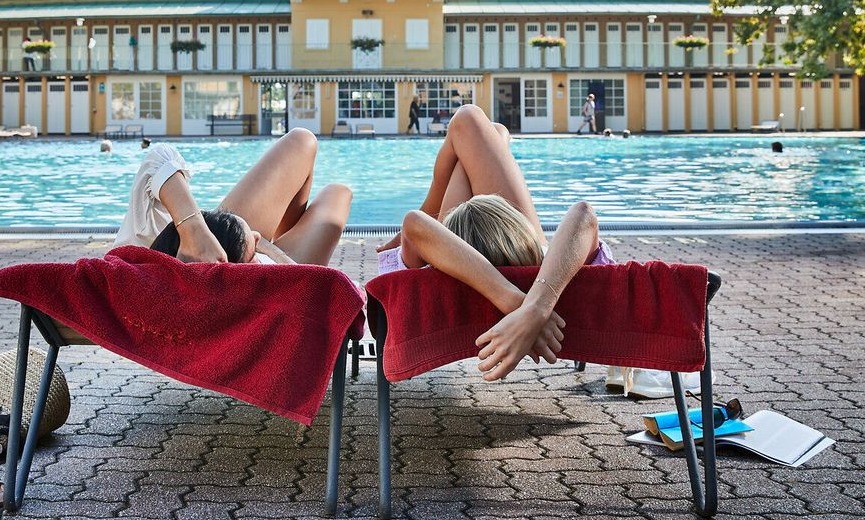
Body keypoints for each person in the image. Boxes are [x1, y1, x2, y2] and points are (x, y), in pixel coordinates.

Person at [376, 105, 616, 377]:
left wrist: (514, 301)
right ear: (518, 224)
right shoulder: (556, 262)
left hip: (461, 255)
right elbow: (583, 214)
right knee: (475, 128)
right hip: (526, 256)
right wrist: (534, 308)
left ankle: (497, 139)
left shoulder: (435, 259)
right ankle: (497, 139)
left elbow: (414, 223)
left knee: (472, 127)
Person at [112, 128, 351, 266]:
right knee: (339, 191)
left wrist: (194, 230)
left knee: (305, 145)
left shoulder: (142, 263)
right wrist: (274, 253)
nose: (257, 236)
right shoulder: (272, 275)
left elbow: (158, 158)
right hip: (278, 269)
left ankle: (271, 239)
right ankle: (275, 240)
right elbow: (158, 158)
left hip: (230, 255)